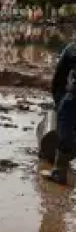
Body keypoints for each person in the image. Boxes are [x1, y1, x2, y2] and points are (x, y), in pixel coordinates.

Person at [42, 42, 76, 185]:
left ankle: (60, 172)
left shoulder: (72, 49)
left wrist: (60, 102)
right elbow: (59, 79)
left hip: (73, 98)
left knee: (66, 130)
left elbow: (58, 79)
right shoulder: (71, 50)